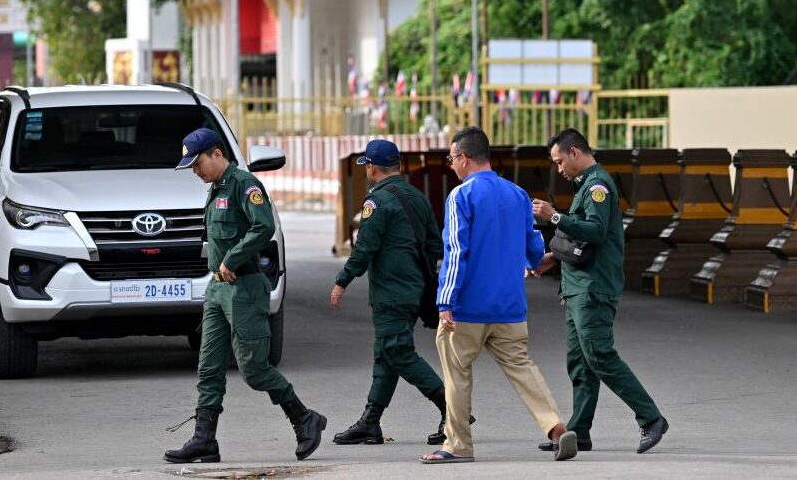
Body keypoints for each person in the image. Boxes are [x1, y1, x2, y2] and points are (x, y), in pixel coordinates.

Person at [164, 128, 326, 464]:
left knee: (253, 370)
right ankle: (204, 440)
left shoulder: (243, 184)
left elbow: (263, 226)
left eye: (198, 163)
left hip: (244, 288)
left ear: (217, 154)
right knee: (208, 367)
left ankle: (304, 417)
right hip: (217, 290)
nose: (195, 171)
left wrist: (232, 259)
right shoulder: (216, 189)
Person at [421, 127, 577, 464]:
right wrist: (539, 261)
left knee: (457, 374)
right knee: (522, 368)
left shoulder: (460, 197)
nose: (451, 165)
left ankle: (457, 445)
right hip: (510, 306)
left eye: (451, 159)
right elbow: (533, 243)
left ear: (463, 158)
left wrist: (445, 300)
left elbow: (456, 251)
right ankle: (556, 428)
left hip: (467, 309)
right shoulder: (518, 194)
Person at [531, 128, 669, 454]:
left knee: (599, 355)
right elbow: (582, 242)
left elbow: (594, 231)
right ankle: (579, 432)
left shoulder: (597, 186)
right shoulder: (585, 186)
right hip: (579, 286)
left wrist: (555, 217)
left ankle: (650, 418)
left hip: (593, 288)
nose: (559, 169)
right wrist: (553, 258)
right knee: (579, 363)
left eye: (560, 161)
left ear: (575, 152)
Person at [330, 139, 464, 447]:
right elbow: (434, 244)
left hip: (390, 291)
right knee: (386, 354)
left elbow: (364, 247)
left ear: (372, 168)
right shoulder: (417, 197)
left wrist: (342, 280)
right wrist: (418, 276)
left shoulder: (376, 202)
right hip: (412, 290)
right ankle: (370, 422)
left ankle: (451, 409)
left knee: (397, 351)